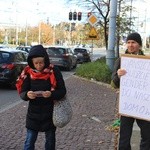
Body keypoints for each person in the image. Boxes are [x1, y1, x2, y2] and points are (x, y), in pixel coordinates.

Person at [16, 45, 66, 150]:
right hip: (33, 114)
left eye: (41, 63)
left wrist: (51, 94)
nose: (39, 65)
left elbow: (62, 91)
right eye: (36, 63)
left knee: (50, 141)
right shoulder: (27, 72)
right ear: (31, 63)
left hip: (50, 113)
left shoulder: (54, 70)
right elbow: (22, 92)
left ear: (46, 60)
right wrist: (27, 95)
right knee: (29, 142)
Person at [111, 32, 150, 150]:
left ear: (139, 45)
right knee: (124, 138)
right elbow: (113, 83)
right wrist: (118, 76)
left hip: (143, 105)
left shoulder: (146, 61)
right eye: (128, 42)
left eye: (133, 42)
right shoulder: (121, 60)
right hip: (127, 104)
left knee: (147, 137)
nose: (130, 45)